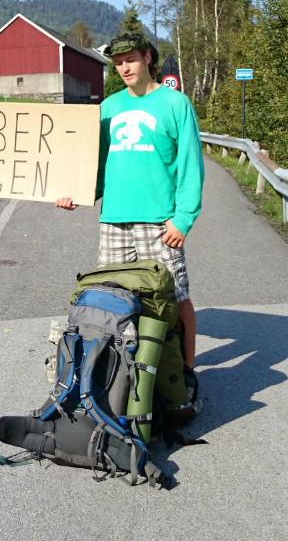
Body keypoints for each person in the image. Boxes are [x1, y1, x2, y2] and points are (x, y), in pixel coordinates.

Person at [55, 32, 204, 368]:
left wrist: (183, 219)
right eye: (118, 62)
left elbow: (190, 165)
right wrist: (77, 193)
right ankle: (131, 373)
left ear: (148, 58)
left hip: (160, 223)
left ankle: (186, 373)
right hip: (114, 222)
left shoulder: (174, 103)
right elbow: (99, 164)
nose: (124, 67)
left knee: (174, 298)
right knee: (114, 300)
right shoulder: (109, 107)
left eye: (130, 59)